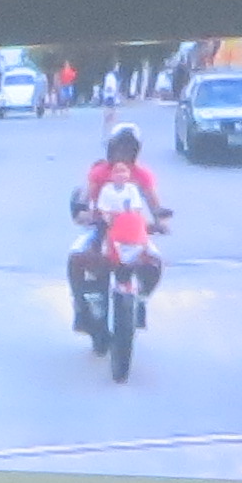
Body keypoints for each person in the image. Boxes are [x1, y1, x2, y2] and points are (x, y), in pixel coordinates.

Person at [71, 126, 171, 338]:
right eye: (119, 147)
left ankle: (141, 299)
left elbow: (155, 204)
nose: (123, 153)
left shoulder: (142, 175)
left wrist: (160, 221)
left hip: (132, 232)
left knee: (155, 261)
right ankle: (80, 305)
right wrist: (83, 213)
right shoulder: (99, 172)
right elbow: (84, 198)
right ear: (111, 149)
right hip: (102, 230)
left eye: (129, 148)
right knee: (76, 257)